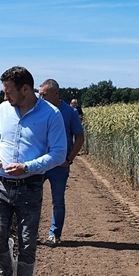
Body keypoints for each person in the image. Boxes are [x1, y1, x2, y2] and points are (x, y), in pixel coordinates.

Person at [0, 66, 66, 276]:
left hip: (29, 187)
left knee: (27, 242)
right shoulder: (2, 110)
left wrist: (28, 167)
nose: (5, 97)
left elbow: (59, 153)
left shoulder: (51, 115)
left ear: (25, 89)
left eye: (8, 92)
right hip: (0, 184)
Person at [39, 80, 85, 246]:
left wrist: (69, 159)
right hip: (40, 164)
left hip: (60, 165)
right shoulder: (38, 110)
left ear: (56, 93)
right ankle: (30, 234)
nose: (40, 97)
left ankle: (54, 234)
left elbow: (80, 137)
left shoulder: (70, 112)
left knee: (57, 201)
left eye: (44, 94)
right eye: (39, 94)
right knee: (33, 199)